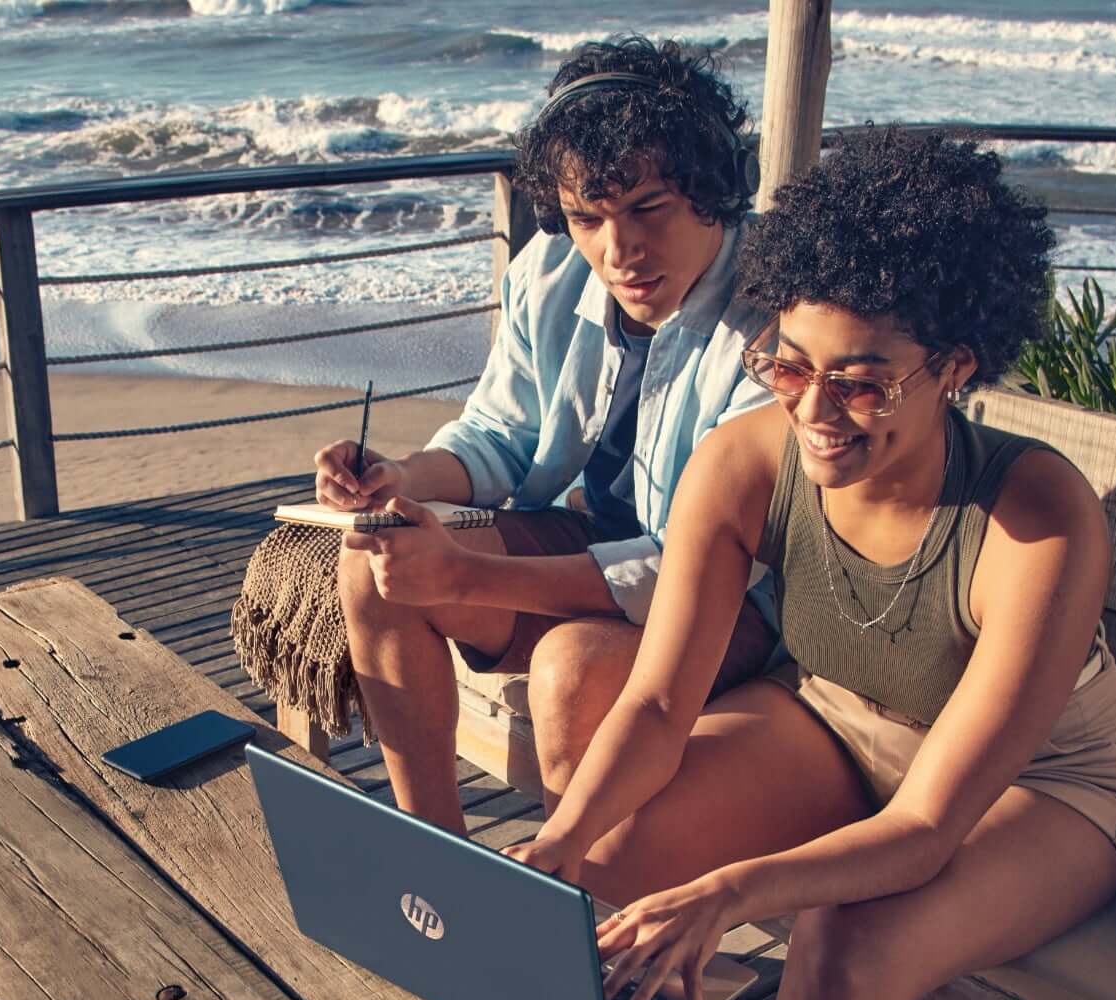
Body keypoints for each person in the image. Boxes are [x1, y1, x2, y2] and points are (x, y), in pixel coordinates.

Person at [502, 129, 1116, 1000]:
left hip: (1045, 785)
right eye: (787, 367)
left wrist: (727, 894)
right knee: (605, 867)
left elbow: (929, 825)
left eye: (858, 383)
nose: (814, 409)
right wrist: (555, 845)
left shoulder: (1035, 519)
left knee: (842, 949)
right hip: (835, 714)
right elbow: (652, 708)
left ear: (952, 368)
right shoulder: (741, 465)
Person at [311, 36, 782, 834]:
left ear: (715, 188)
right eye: (586, 218)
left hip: (736, 599)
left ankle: (581, 902)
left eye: (647, 210)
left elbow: (689, 569)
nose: (617, 250)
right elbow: (501, 435)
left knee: (574, 670)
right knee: (375, 558)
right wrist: (402, 476)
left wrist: (465, 577)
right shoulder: (551, 269)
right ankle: (440, 855)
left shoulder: (780, 321)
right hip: (592, 542)